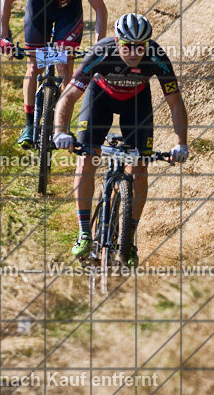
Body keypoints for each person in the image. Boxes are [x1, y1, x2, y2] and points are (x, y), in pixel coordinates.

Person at [51, 13, 189, 266]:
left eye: (140, 46)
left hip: (136, 103)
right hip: (99, 98)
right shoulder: (102, 51)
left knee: (139, 167)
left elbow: (175, 102)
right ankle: (84, 233)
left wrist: (181, 142)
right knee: (86, 159)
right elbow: (69, 96)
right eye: (127, 46)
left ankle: (129, 239)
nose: (134, 52)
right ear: (117, 41)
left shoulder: (156, 56)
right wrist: (60, 132)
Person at [0, 0, 108, 147]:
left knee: (65, 65)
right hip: (38, 12)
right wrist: (3, 37)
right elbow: (6, 0)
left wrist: (98, 45)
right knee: (34, 66)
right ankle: (29, 125)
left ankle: (61, 126)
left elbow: (100, 8)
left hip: (68, 12)